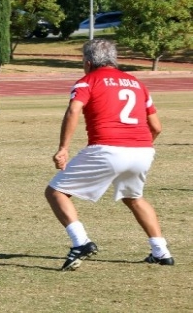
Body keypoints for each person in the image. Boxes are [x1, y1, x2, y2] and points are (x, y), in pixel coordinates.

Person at [45, 39, 175, 271]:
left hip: (107, 148)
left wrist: (63, 147)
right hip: (143, 150)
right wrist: (139, 146)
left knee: (56, 192)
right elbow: (156, 127)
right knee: (134, 198)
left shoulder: (88, 80)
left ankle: (81, 242)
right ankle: (161, 251)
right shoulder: (137, 83)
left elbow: (74, 109)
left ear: (87, 62)